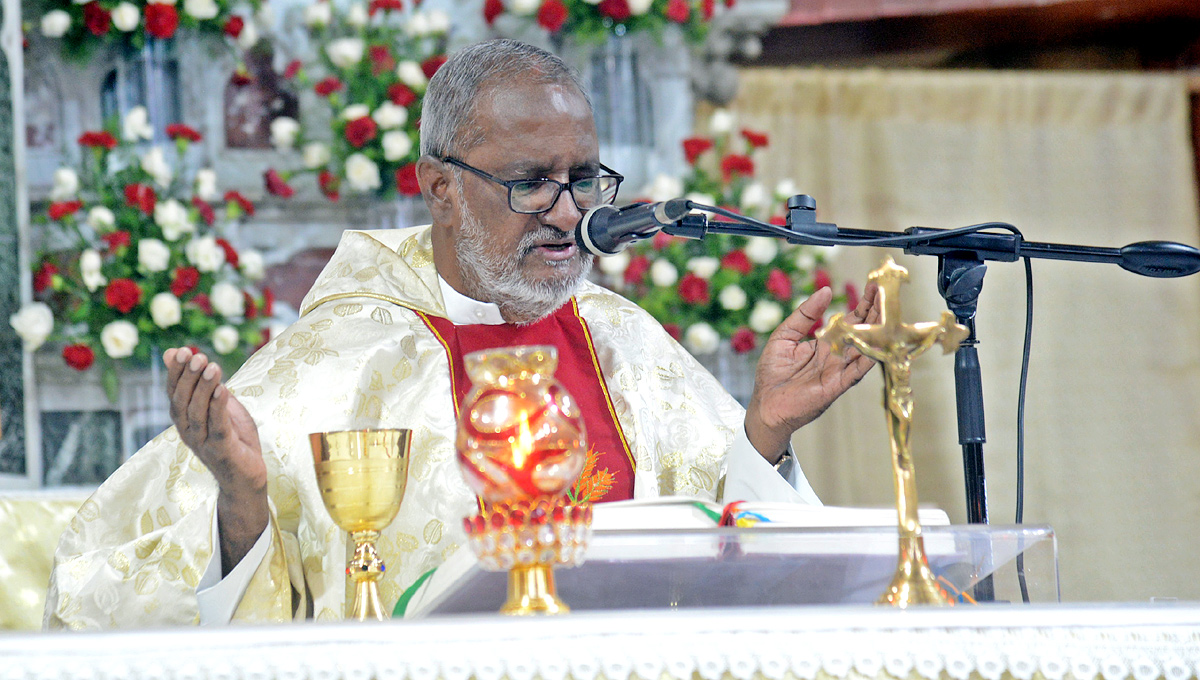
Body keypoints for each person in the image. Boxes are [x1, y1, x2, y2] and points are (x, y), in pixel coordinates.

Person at [44, 39, 878, 629]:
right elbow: (107, 589)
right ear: (439, 187)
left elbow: (727, 553)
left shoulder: (628, 345)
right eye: (529, 184)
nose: (567, 211)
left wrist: (762, 433)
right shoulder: (331, 363)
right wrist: (241, 501)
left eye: (583, 179)